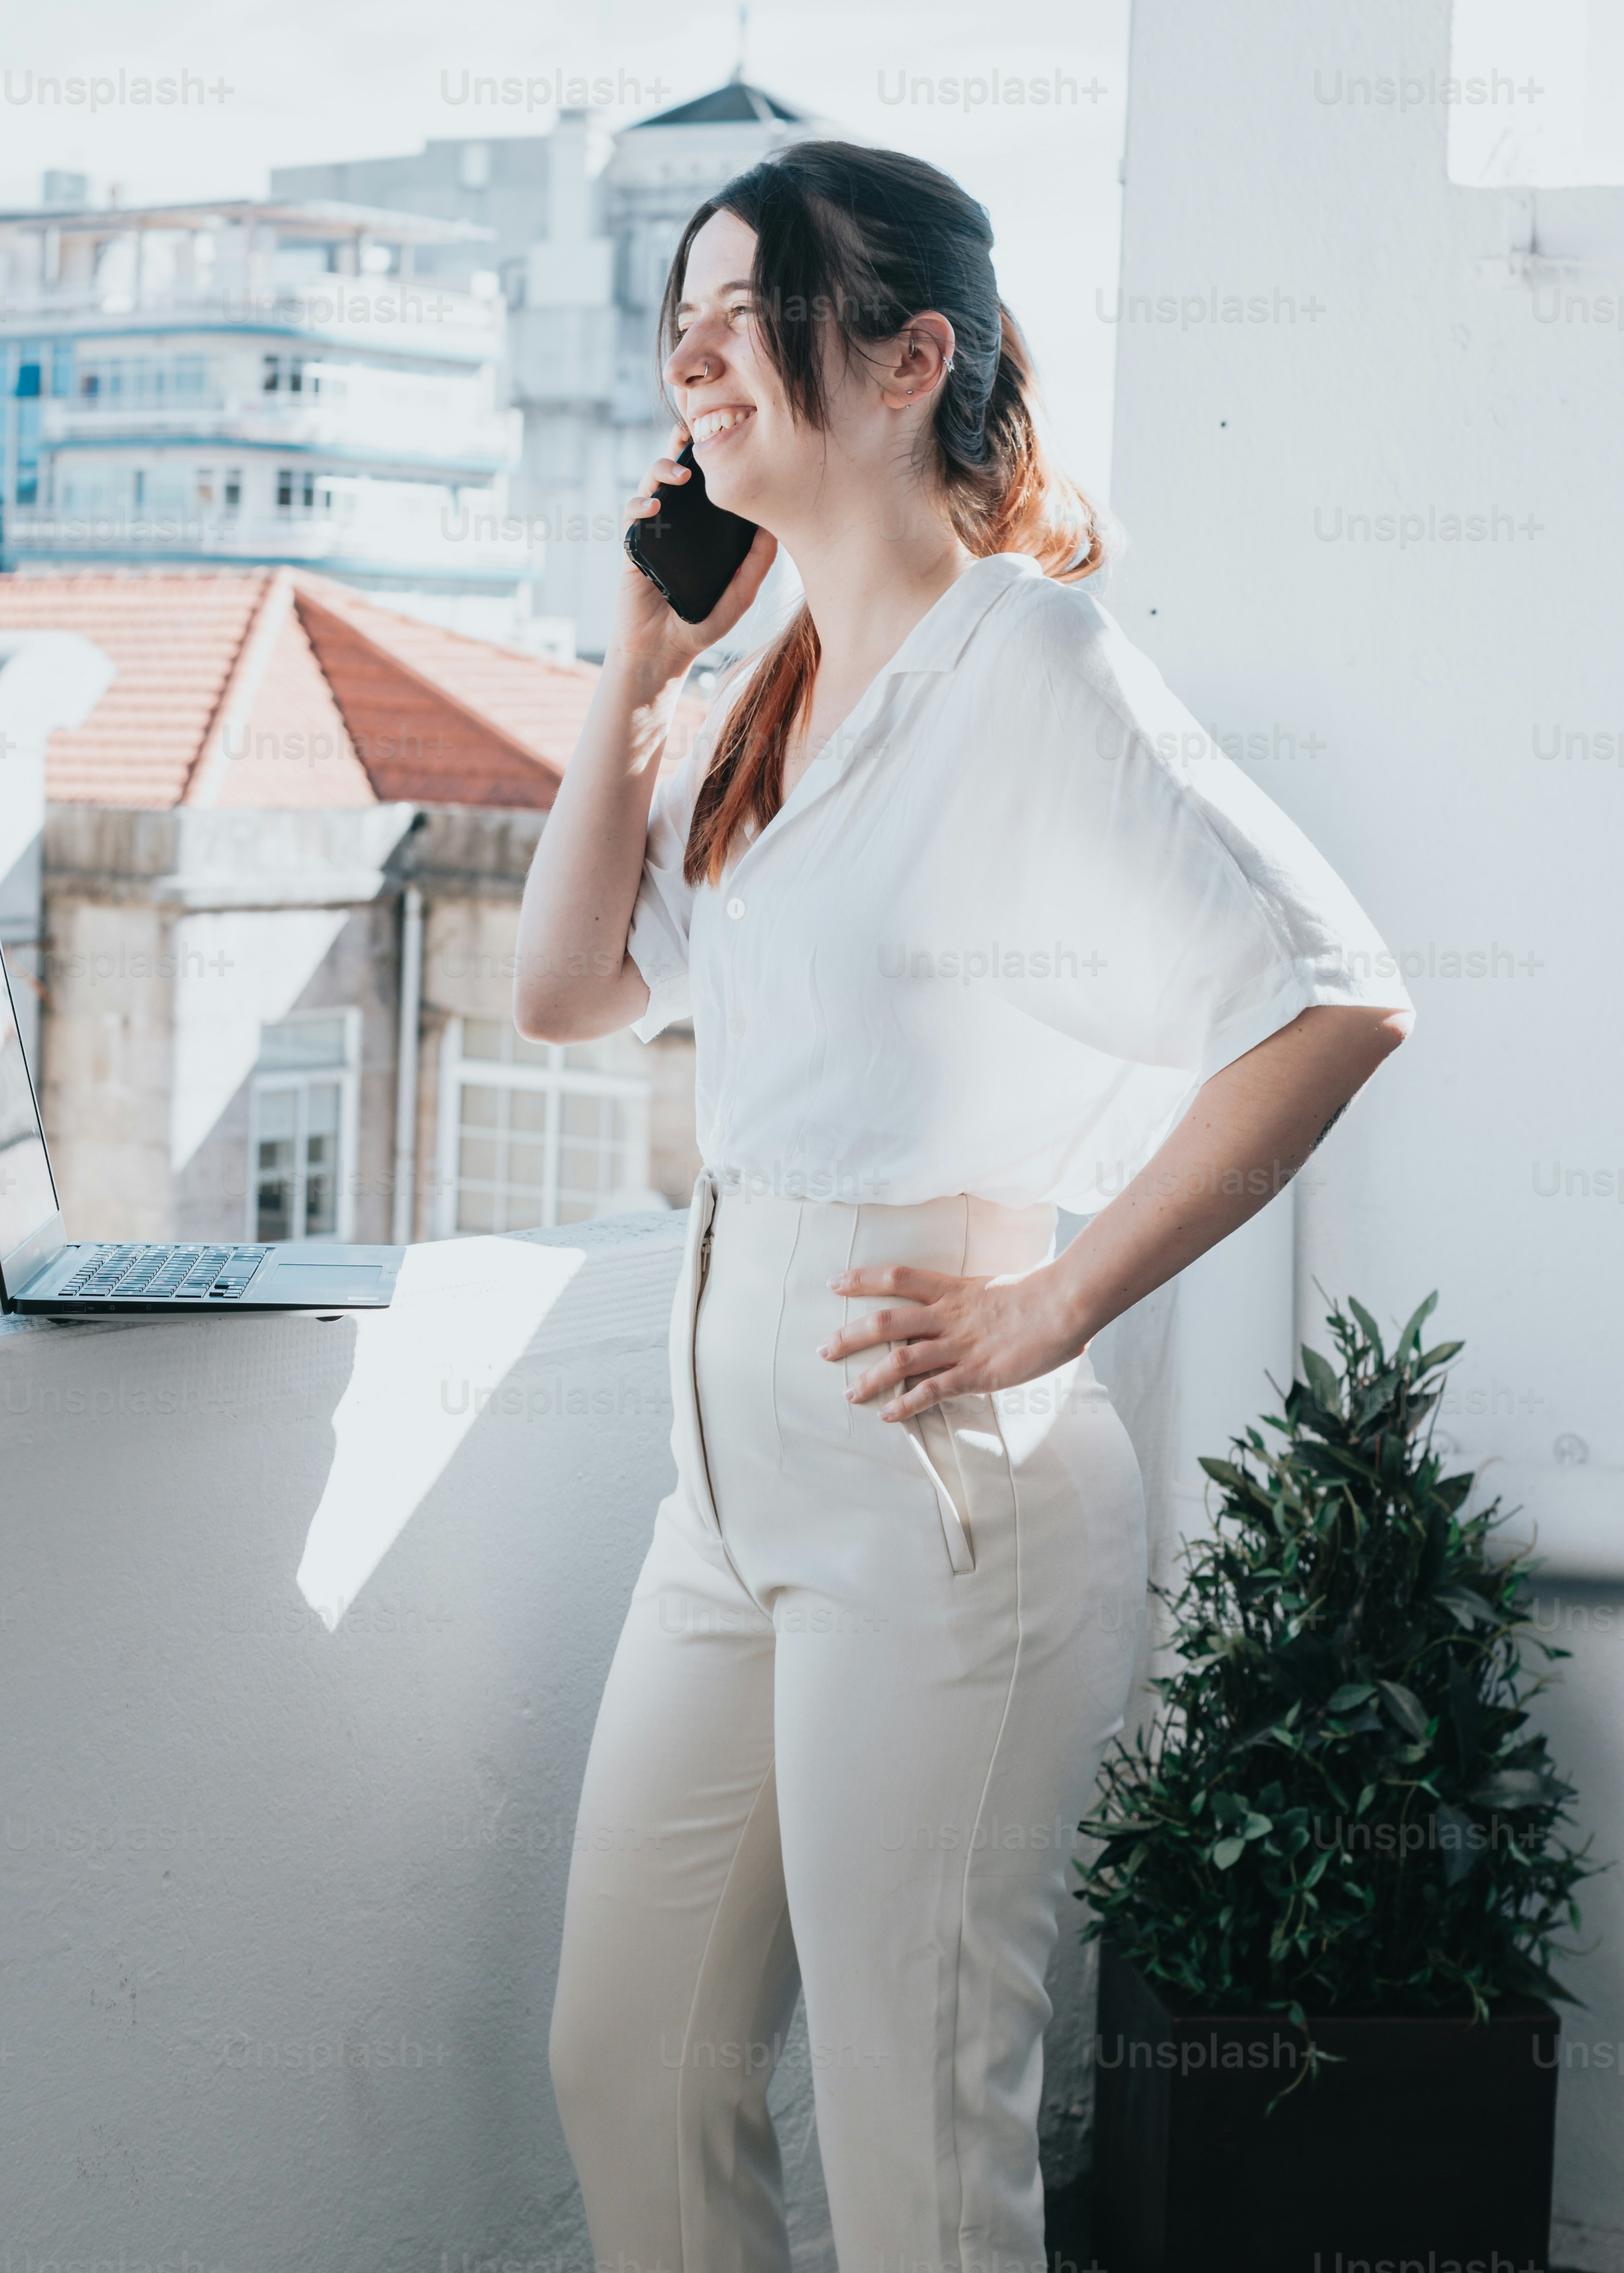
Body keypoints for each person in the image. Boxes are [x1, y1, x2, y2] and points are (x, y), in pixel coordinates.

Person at [513, 141, 1412, 2273]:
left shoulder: (1030, 669)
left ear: (910, 358)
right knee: (622, 2060)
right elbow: (563, 991)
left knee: (915, 2145)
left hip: (935, 1493)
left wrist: (1054, 1309)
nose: (692, 360)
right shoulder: (756, 695)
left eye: (743, 317)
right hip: (721, 1494)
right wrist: (635, 661)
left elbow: (1331, 999)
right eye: (679, 325)